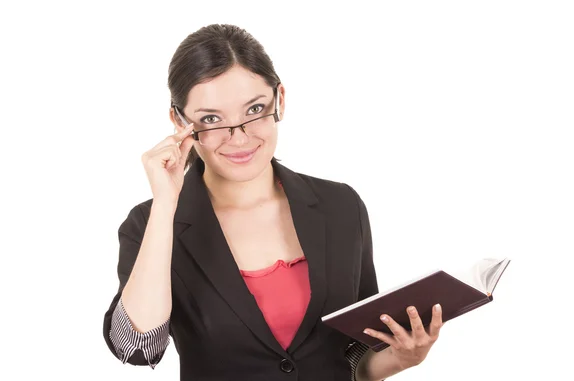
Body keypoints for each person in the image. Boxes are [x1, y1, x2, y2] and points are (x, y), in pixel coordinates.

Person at [102, 23, 443, 381]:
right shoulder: (151, 224)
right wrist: (165, 205)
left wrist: (402, 357)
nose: (239, 137)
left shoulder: (340, 206)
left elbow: (353, 355)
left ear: (279, 99)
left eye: (254, 110)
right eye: (211, 119)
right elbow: (136, 347)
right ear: (180, 122)